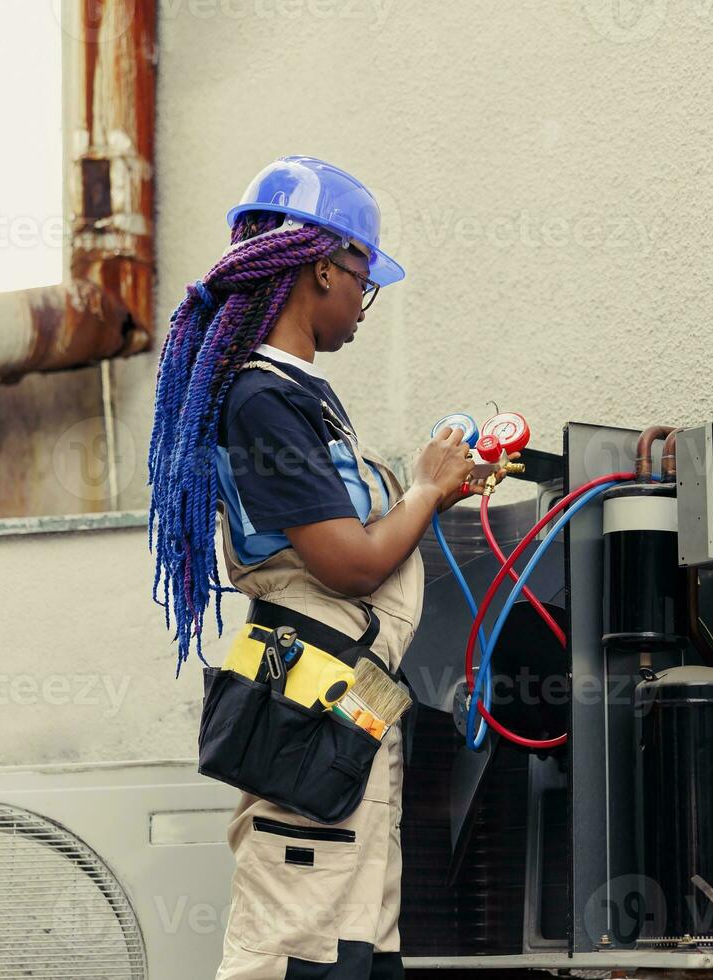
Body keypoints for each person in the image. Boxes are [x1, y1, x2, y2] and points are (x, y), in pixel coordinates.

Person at [148, 156, 505, 979]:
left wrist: (435, 494)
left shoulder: (301, 396)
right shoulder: (263, 399)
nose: (363, 302)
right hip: (314, 714)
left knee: (355, 955)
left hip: (351, 709)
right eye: (362, 279)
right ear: (320, 266)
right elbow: (347, 565)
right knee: (293, 960)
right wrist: (423, 487)